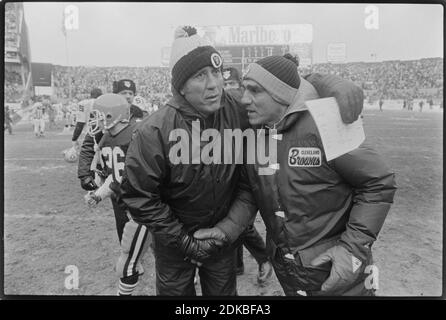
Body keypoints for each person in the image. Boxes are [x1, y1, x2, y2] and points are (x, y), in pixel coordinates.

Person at [120, 26, 365, 296]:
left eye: (216, 72)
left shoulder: (239, 109)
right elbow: (139, 197)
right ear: (180, 86)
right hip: (173, 245)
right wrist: (185, 243)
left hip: (221, 241)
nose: (213, 84)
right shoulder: (153, 130)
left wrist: (326, 82)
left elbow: (282, 85)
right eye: (200, 75)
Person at [195, 55, 397, 296]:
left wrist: (352, 250)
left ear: (281, 95)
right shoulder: (256, 133)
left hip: (338, 271)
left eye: (255, 91)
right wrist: (227, 228)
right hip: (290, 271)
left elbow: (378, 183)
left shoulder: (327, 123)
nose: (244, 99)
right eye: (244, 90)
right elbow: (251, 192)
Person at [84, 93, 150, 296]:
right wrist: (98, 195)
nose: (95, 119)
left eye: (100, 114)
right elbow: (115, 177)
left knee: (132, 262)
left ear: (114, 114)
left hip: (150, 206)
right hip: (133, 207)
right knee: (129, 260)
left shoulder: (138, 134)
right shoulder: (105, 139)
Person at [223, 66, 272, 283]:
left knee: (241, 224)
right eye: (226, 85)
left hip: (246, 171)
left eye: (233, 85)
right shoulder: (219, 108)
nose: (229, 90)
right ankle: (240, 264)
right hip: (236, 171)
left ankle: (262, 258)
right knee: (237, 222)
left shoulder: (245, 106)